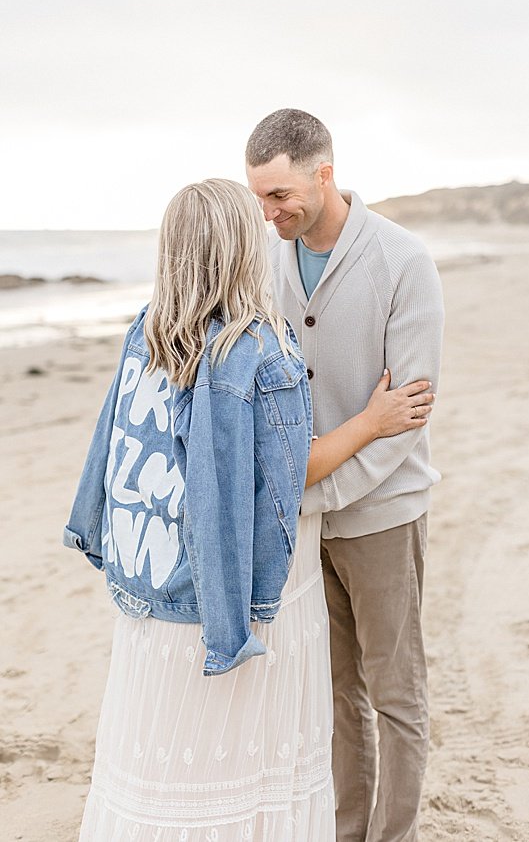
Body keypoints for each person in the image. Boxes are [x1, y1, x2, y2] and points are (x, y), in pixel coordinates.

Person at [64, 178, 434, 840]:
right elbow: (288, 475)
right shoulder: (261, 349)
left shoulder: (143, 335)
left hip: (152, 586)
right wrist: (373, 421)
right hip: (234, 593)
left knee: (162, 763)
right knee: (251, 758)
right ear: (239, 249)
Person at [245, 109, 444, 842]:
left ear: (322, 174)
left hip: (382, 512)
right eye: (260, 198)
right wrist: (301, 501)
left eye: (279, 195)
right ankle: (347, 831)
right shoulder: (269, 261)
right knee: (334, 695)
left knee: (396, 693)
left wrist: (314, 491)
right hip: (303, 520)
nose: (268, 213)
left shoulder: (402, 260)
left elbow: (408, 413)